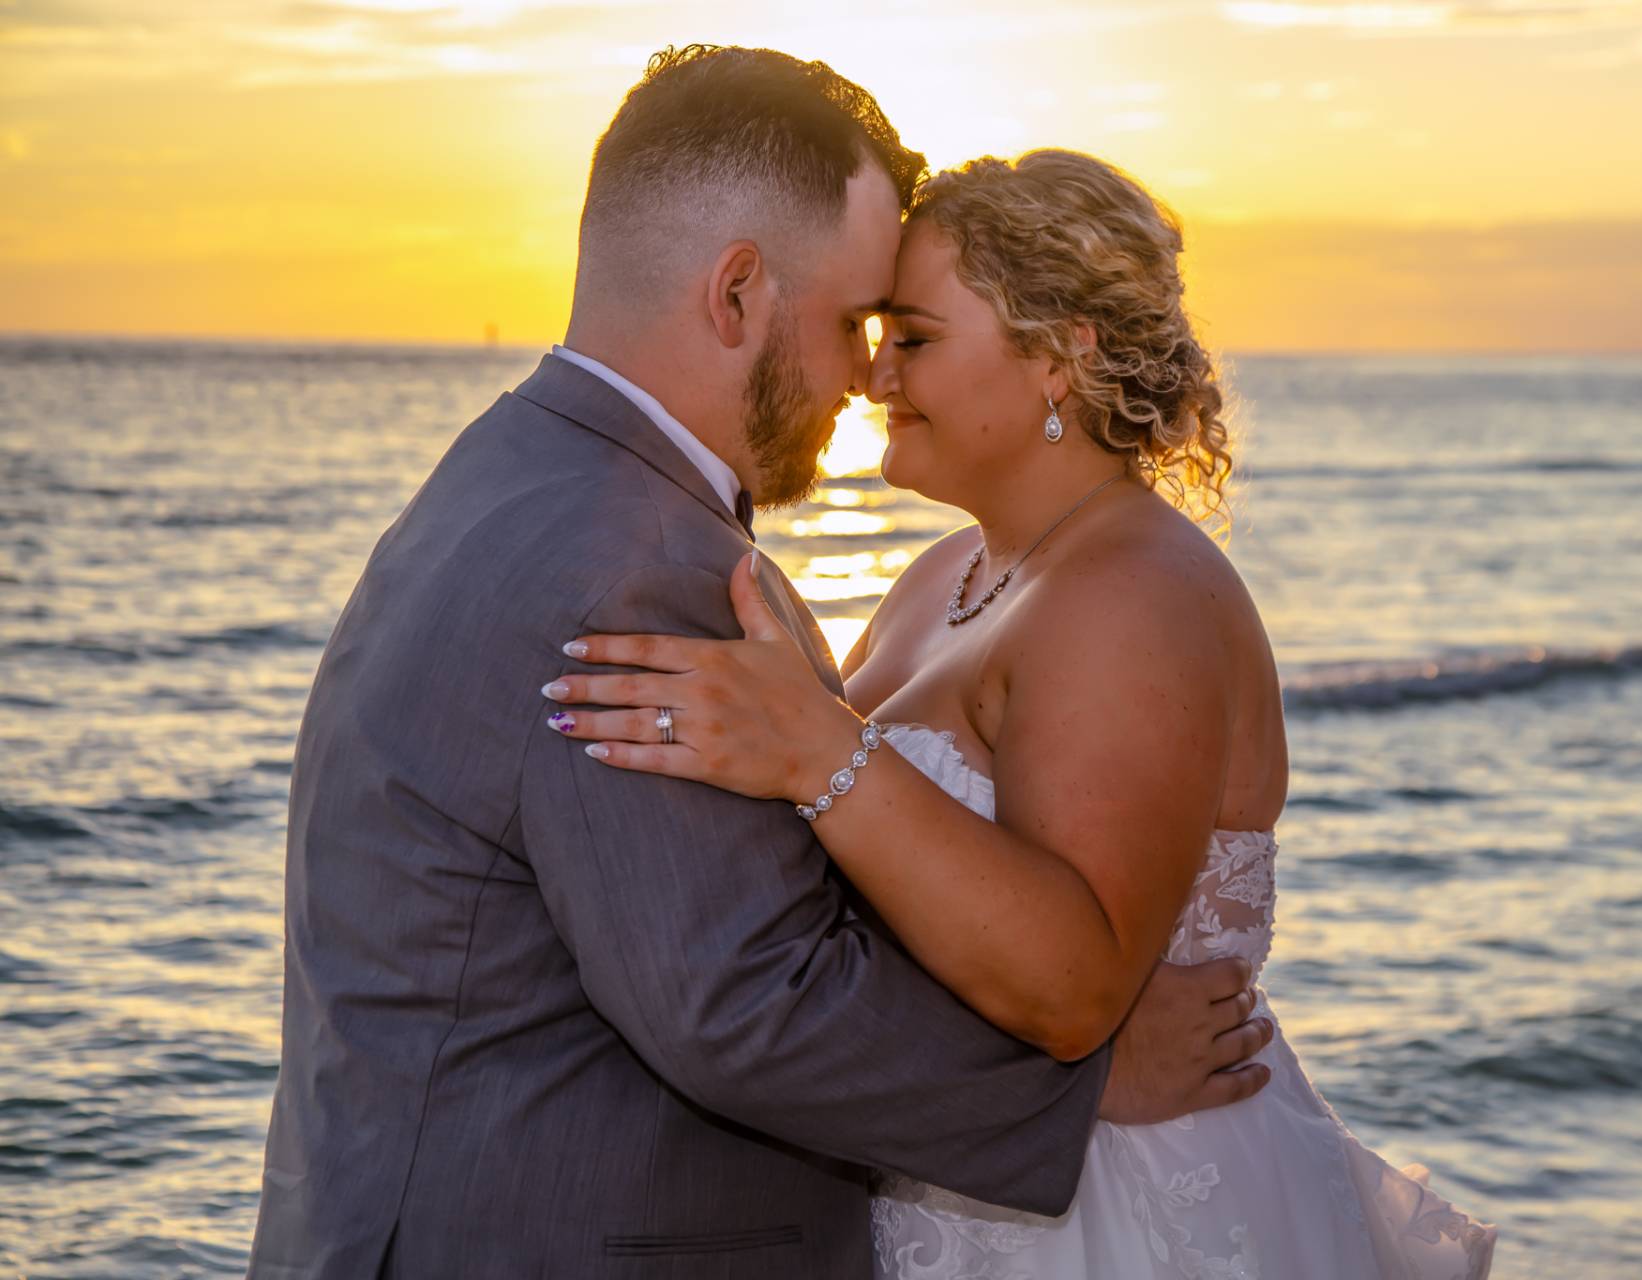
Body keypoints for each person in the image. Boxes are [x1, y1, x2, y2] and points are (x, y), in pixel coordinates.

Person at [247, 49, 1272, 1279]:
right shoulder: (635, 563)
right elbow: (740, 1001)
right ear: (737, 293)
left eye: (904, 334)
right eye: (854, 324)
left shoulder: (511, 475)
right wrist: (1085, 1086)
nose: (865, 373)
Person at [540, 148, 1501, 1278]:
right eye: (880, 336)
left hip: (1117, 1214)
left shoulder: (1137, 595)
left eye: (916, 338)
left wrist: (819, 747)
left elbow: (1075, 984)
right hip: (968, 1174)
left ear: (1060, 356)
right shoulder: (940, 576)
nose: (874, 374)